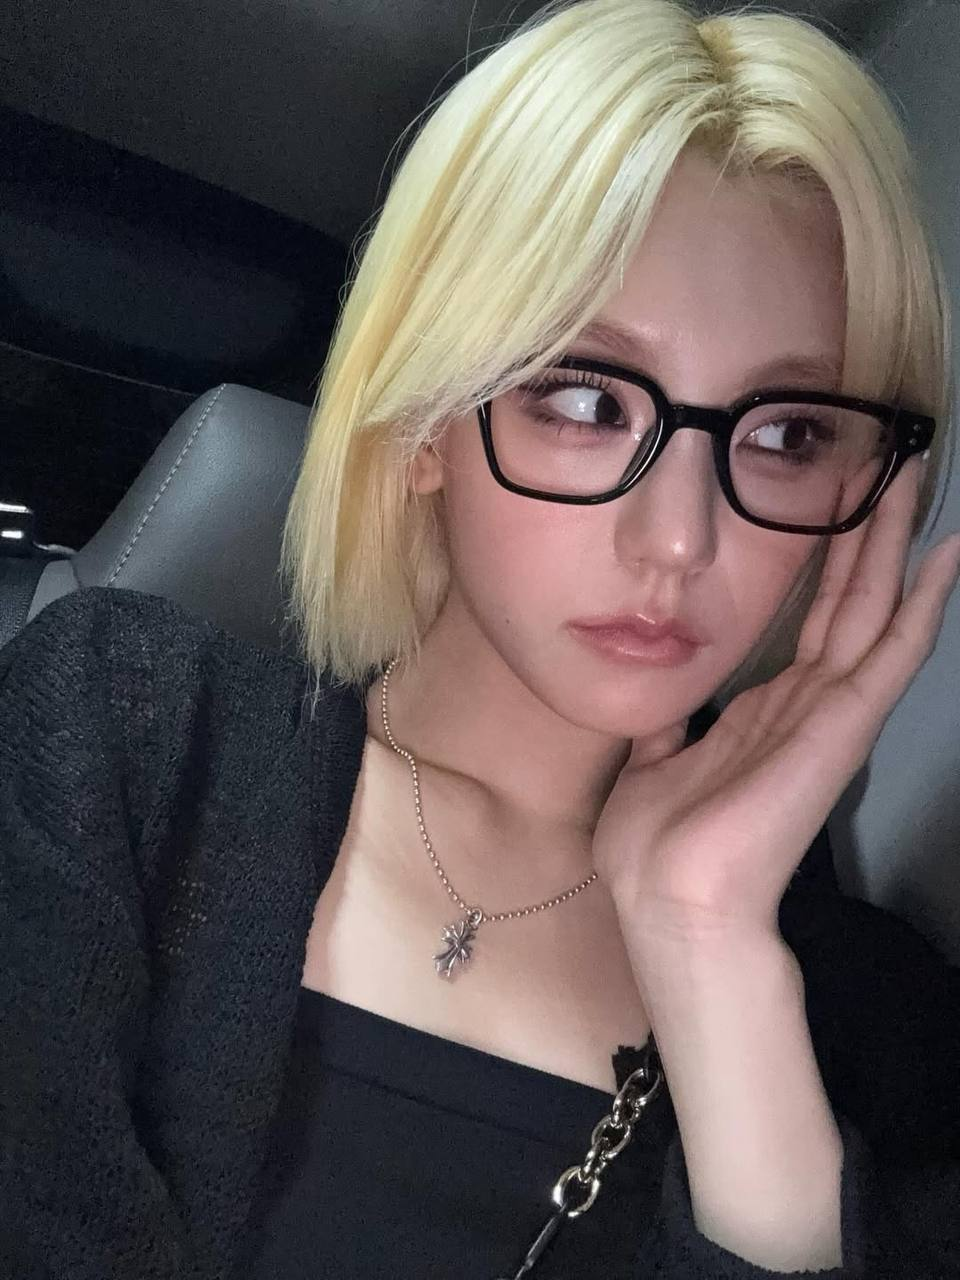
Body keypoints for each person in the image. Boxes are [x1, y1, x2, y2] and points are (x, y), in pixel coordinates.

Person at [1, 0, 958, 1276]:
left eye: (789, 434)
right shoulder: (122, 734)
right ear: (422, 426)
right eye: (583, 398)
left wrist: (709, 941)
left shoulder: (866, 1021)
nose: (680, 539)